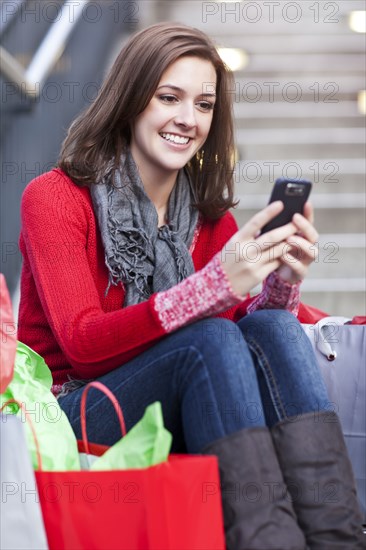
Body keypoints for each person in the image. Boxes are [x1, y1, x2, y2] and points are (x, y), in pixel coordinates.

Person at [18, 22, 363, 549]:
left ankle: (336, 535)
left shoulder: (207, 218)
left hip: (183, 388)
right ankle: (266, 539)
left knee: (269, 325)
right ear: (131, 100)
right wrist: (212, 287)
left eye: (203, 105)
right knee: (209, 340)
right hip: (74, 408)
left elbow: (241, 339)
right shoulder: (55, 198)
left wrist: (281, 284)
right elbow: (84, 345)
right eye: (168, 97)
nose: (187, 119)